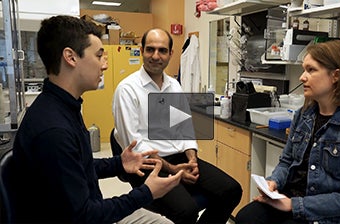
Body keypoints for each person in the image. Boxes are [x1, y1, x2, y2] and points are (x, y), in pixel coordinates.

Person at [12, 15, 183, 224]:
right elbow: (84, 216)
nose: (105, 65)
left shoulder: (63, 107)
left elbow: (78, 165)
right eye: (99, 55)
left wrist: (119, 164)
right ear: (71, 57)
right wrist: (147, 193)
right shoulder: (53, 130)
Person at [235, 40, 340, 224]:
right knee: (246, 218)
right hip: (292, 198)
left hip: (332, 215)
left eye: (311, 70)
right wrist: (274, 182)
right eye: (304, 69)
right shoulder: (303, 116)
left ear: (336, 75)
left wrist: (294, 205)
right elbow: (287, 162)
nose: (302, 77)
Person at [112, 28, 243, 224]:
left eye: (162, 50)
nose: (156, 56)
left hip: (179, 157)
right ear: (142, 50)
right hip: (148, 166)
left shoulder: (174, 86)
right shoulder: (127, 89)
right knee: (186, 211)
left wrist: (192, 160)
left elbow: (184, 128)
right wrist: (174, 170)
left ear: (171, 54)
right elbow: (136, 148)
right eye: (150, 49)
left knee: (232, 190)